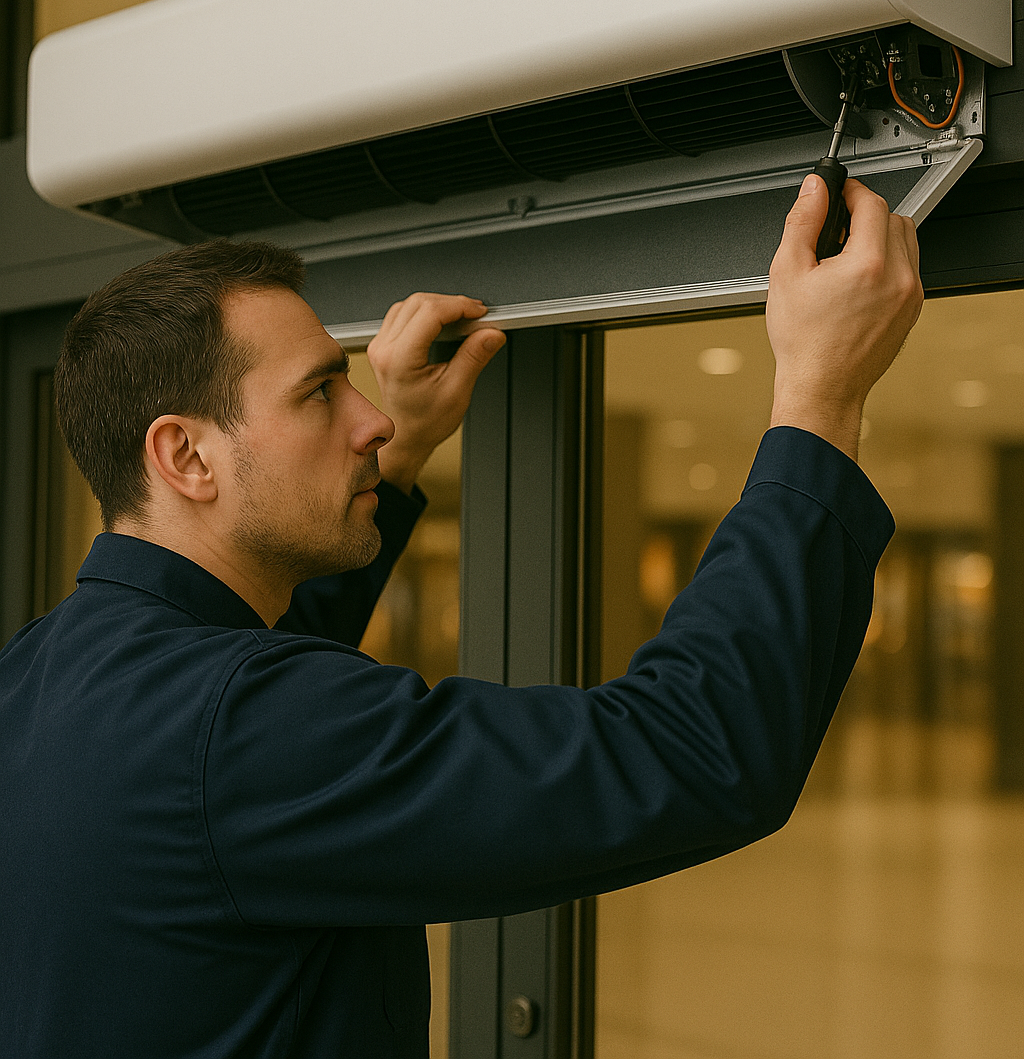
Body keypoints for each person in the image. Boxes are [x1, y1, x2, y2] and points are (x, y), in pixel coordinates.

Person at [0, 172, 922, 1058]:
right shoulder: (234, 733)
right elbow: (689, 750)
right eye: (319, 392)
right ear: (186, 457)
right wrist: (817, 401)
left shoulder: (38, 672)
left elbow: (228, 713)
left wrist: (387, 477)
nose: (373, 422)